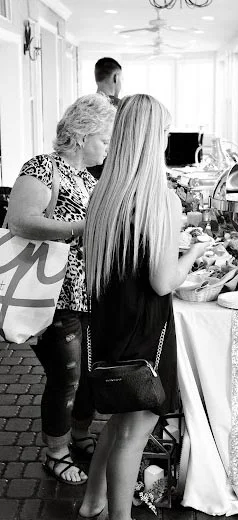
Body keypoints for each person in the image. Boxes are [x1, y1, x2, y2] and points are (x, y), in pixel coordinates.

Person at [79, 94, 209, 520]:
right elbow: (162, 281)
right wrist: (194, 254)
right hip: (144, 328)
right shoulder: (160, 199)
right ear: (153, 138)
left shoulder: (102, 194)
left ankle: (92, 501)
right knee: (135, 431)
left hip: (109, 323)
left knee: (118, 422)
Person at [6, 94, 116, 485]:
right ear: (83, 135)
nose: (107, 146)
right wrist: (83, 228)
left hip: (85, 293)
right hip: (52, 294)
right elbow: (19, 220)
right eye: (105, 138)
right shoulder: (42, 168)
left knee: (88, 373)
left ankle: (80, 435)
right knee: (66, 376)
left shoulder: (88, 178)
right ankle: (56, 452)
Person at [88, 57, 123, 179]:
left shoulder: (84, 105)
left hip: (87, 173)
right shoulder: (123, 107)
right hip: (114, 174)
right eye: (121, 79)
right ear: (116, 78)